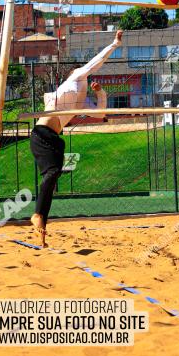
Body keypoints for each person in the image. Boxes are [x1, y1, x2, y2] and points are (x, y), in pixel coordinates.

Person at [29, 30, 123, 246]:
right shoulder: (75, 77)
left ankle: (41, 226)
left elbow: (100, 114)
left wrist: (100, 93)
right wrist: (114, 44)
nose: (82, 71)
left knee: (51, 179)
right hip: (41, 135)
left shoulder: (81, 102)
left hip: (53, 139)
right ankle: (38, 215)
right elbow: (94, 64)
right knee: (51, 174)